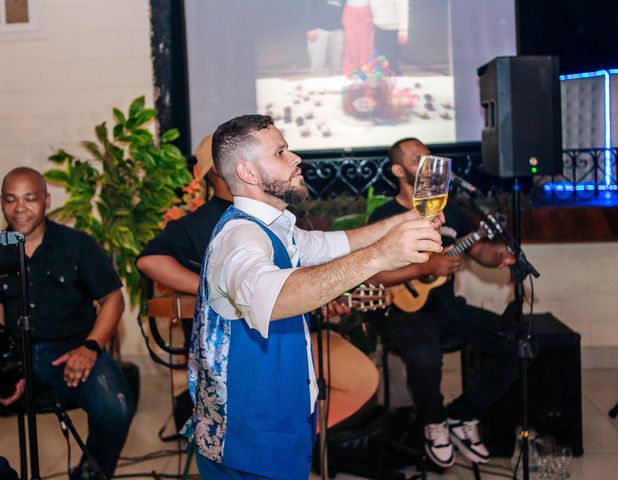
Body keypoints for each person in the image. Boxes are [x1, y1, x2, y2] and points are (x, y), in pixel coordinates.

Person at [181, 114, 443, 480]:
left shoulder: (276, 228)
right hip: (250, 443)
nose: (296, 158)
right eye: (281, 152)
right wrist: (382, 256)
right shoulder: (239, 238)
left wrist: (407, 220)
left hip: (276, 427)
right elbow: (276, 296)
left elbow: (341, 243)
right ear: (248, 173)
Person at [366, 138, 518, 468]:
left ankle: (463, 416)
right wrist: (425, 267)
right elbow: (370, 277)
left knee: (517, 343)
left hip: (447, 308)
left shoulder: (451, 211)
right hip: (401, 311)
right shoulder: (384, 215)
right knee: (424, 354)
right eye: (416, 157)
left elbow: (478, 252)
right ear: (397, 170)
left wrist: (499, 255)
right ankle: (434, 422)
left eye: (428, 156)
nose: (426, 162)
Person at [0, 167, 134, 479]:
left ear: (46, 201)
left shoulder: (76, 244)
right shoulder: (1, 245)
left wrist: (90, 347)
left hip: (72, 348)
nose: (20, 208)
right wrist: (5, 361)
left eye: (30, 198)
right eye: (11, 200)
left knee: (116, 408)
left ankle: (88, 475)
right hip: (13, 351)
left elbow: (113, 299)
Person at [136, 134, 233, 298]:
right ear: (218, 166)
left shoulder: (278, 209)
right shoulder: (198, 222)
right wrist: (212, 292)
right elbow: (149, 261)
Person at [305, 0, 345, 77]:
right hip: (319, 30)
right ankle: (315, 86)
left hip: (337, 31)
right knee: (317, 63)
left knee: (336, 65)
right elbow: (309, 7)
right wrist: (310, 27)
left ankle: (334, 86)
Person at [370, 0, 409, 75]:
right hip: (378, 29)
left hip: (393, 30)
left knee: (392, 64)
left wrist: (403, 31)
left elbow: (403, 9)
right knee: (380, 63)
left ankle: (397, 82)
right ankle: (382, 84)